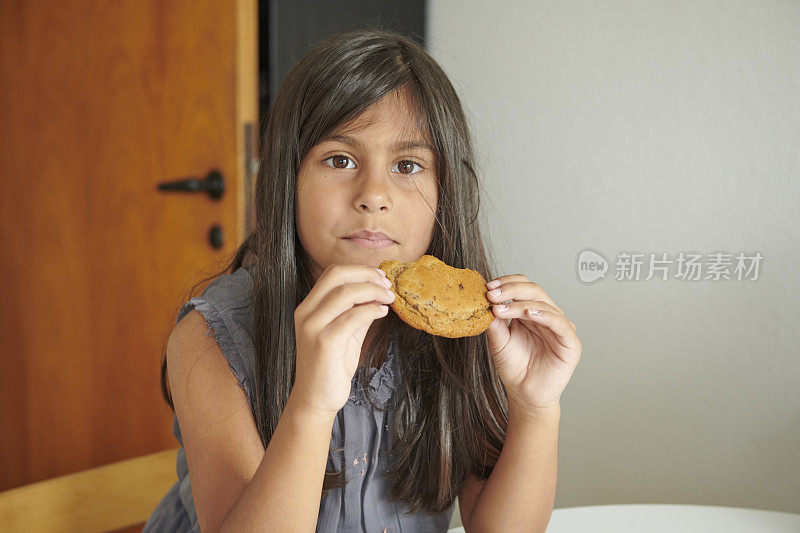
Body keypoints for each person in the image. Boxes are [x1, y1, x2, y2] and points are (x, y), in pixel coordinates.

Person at [143, 27, 582, 533]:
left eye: (407, 165)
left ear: (445, 194)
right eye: (340, 159)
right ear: (289, 178)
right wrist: (311, 403)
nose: (374, 194)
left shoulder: (461, 333)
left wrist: (535, 407)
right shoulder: (211, 339)